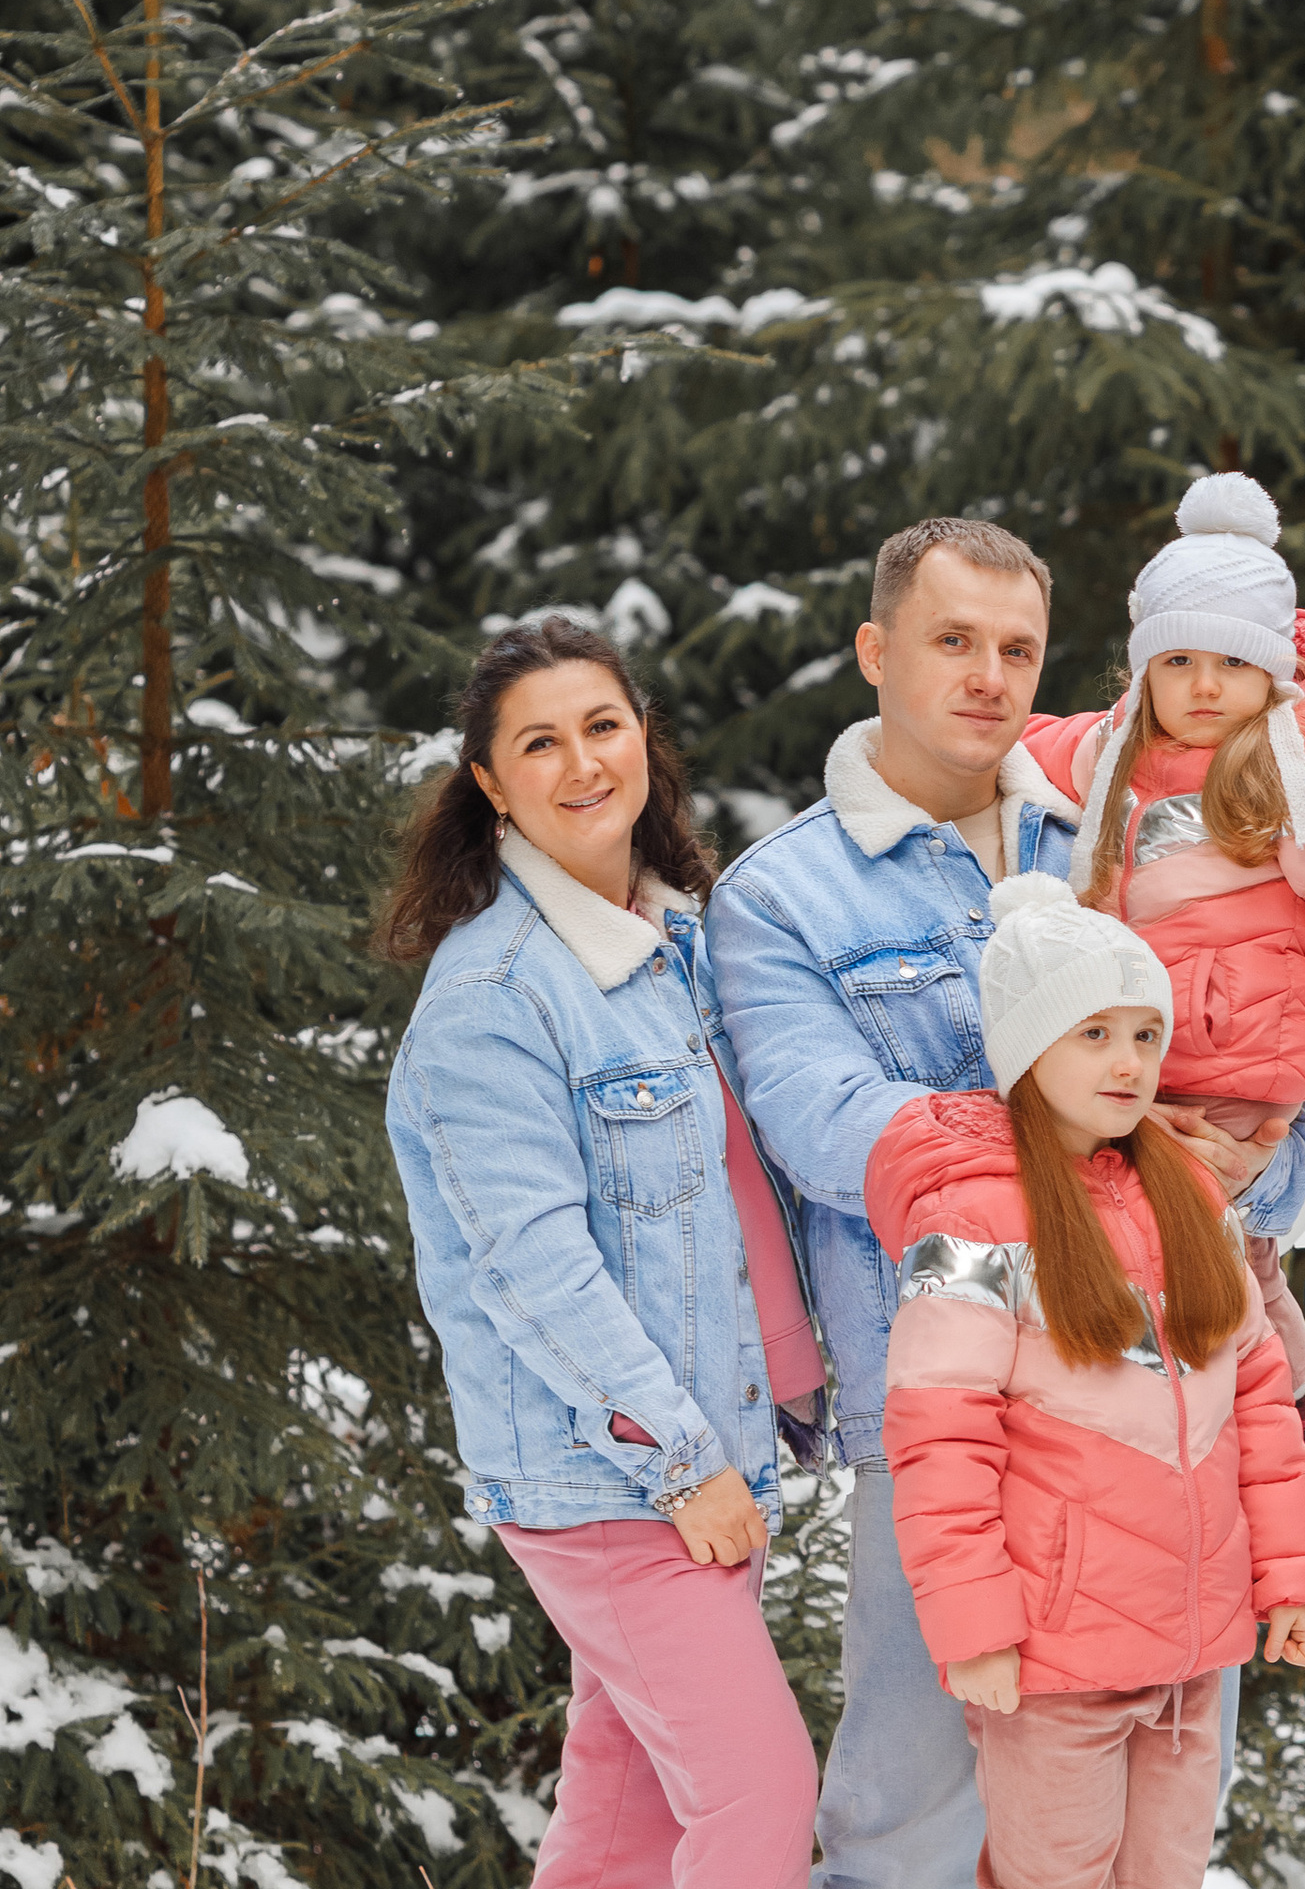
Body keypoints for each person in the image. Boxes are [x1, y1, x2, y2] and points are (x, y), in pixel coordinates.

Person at [710, 519, 1305, 1889]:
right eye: (951, 641)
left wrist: (1240, 1155)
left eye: (1018, 649)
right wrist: (1111, 1134)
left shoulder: (1138, 834)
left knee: (1157, 1821)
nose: (989, 675)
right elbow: (833, 1131)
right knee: (913, 1818)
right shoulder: (783, 900)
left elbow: (1291, 1072)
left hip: (1171, 1418)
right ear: (876, 652)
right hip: (954, 1421)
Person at [380, 616, 822, 1888]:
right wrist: (684, 1466)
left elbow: (738, 1194)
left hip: (700, 1448)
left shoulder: (674, 944)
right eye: (539, 740)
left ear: (643, 740)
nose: (581, 762)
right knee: (759, 1795)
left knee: (622, 1824)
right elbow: (535, 1272)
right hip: (613, 1478)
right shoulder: (496, 997)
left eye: (602, 725)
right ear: (488, 780)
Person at [873, 875, 1305, 1889]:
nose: (1127, 1062)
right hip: (1056, 1661)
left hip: (1190, 1654)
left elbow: (1257, 1401)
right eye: (1092, 1034)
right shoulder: (973, 1216)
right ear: (1026, 1047)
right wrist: (976, 1628)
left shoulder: (1189, 1194)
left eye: (1143, 1034)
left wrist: (1292, 1571)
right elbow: (938, 1437)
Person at [1021, 474, 1305, 1515]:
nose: (1205, 683)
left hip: (1245, 1065)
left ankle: (1272, 1431)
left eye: (1232, 661)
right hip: (1149, 1069)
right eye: (1179, 660)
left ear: (1273, 672)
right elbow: (1022, 747)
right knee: (1234, 1264)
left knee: (1207, 1251)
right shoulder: (1117, 754)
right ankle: (1297, 1430)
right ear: (1145, 671)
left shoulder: (1294, 770)